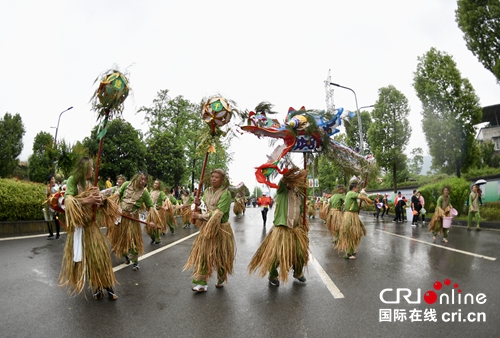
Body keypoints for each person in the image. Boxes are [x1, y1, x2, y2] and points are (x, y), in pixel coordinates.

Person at [59, 157, 119, 300]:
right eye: (91, 168)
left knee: (100, 258)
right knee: (90, 261)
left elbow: (95, 203)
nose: (93, 170)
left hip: (92, 228)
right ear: (85, 168)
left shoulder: (89, 183)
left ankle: (108, 286)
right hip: (81, 229)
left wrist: (101, 201)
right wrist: (88, 200)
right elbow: (68, 202)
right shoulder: (73, 180)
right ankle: (97, 287)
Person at [248, 167, 309, 286]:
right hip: (282, 229)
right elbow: (283, 180)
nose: (293, 183)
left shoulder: (297, 195)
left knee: (300, 253)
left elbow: (299, 211)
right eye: (292, 181)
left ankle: (298, 273)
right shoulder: (282, 191)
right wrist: (299, 174)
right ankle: (273, 275)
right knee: (277, 255)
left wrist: (302, 224)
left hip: (295, 230)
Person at [184, 169, 235, 292]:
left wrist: (200, 217)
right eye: (212, 176)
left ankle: (221, 276)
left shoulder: (226, 194)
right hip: (207, 228)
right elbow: (204, 206)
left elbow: (218, 214)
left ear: (222, 180)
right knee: (203, 254)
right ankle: (201, 283)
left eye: (216, 177)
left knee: (221, 256)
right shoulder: (207, 191)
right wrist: (198, 202)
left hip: (221, 229)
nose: (213, 179)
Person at [110, 171, 161, 271]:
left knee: (133, 241)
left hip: (132, 220)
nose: (143, 181)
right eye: (141, 179)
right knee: (120, 240)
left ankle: (135, 263)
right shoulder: (126, 184)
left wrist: (151, 221)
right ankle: (126, 256)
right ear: (136, 178)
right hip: (120, 217)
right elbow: (116, 195)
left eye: (145, 180)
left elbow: (151, 207)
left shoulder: (144, 192)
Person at [336, 182, 373, 259]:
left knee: (353, 234)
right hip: (350, 216)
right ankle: (348, 253)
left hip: (352, 216)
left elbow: (359, 198)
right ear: (353, 188)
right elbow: (361, 197)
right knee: (351, 234)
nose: (358, 189)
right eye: (357, 188)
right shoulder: (350, 193)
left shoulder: (350, 194)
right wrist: (363, 192)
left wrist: (362, 193)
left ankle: (351, 250)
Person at [44, 174, 61, 239]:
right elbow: (47, 196)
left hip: (56, 205)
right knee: (49, 219)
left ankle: (58, 234)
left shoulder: (57, 187)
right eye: (52, 179)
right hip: (49, 205)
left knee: (56, 219)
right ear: (49, 181)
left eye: (53, 179)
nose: (53, 180)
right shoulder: (48, 187)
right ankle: (51, 233)